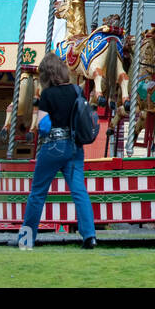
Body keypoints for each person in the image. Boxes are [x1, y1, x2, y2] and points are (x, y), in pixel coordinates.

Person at [19, 53, 97, 249]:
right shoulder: (76, 90)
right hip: (75, 147)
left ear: (46, 75)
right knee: (79, 190)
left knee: (37, 193)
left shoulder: (47, 95)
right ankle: (89, 235)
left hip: (53, 145)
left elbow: (44, 126)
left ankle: (26, 239)